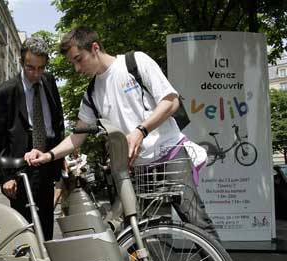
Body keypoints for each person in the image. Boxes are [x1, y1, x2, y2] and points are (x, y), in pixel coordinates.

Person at [24, 27, 219, 241]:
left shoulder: (135, 62)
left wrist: (140, 131)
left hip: (169, 154)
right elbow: (77, 136)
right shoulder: (91, 93)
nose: (77, 68)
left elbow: (171, 102)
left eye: (79, 59)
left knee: (197, 223)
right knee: (129, 235)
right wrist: (48, 155)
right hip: (134, 169)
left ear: (95, 48)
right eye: (73, 63)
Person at [0, 36, 64, 241]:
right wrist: (5, 177)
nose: (36, 74)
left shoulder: (48, 81)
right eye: (31, 67)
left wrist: (60, 160)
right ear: (21, 62)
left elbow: (58, 121)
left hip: (48, 160)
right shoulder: (5, 92)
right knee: (23, 231)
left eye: (41, 68)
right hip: (21, 165)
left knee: (45, 227)